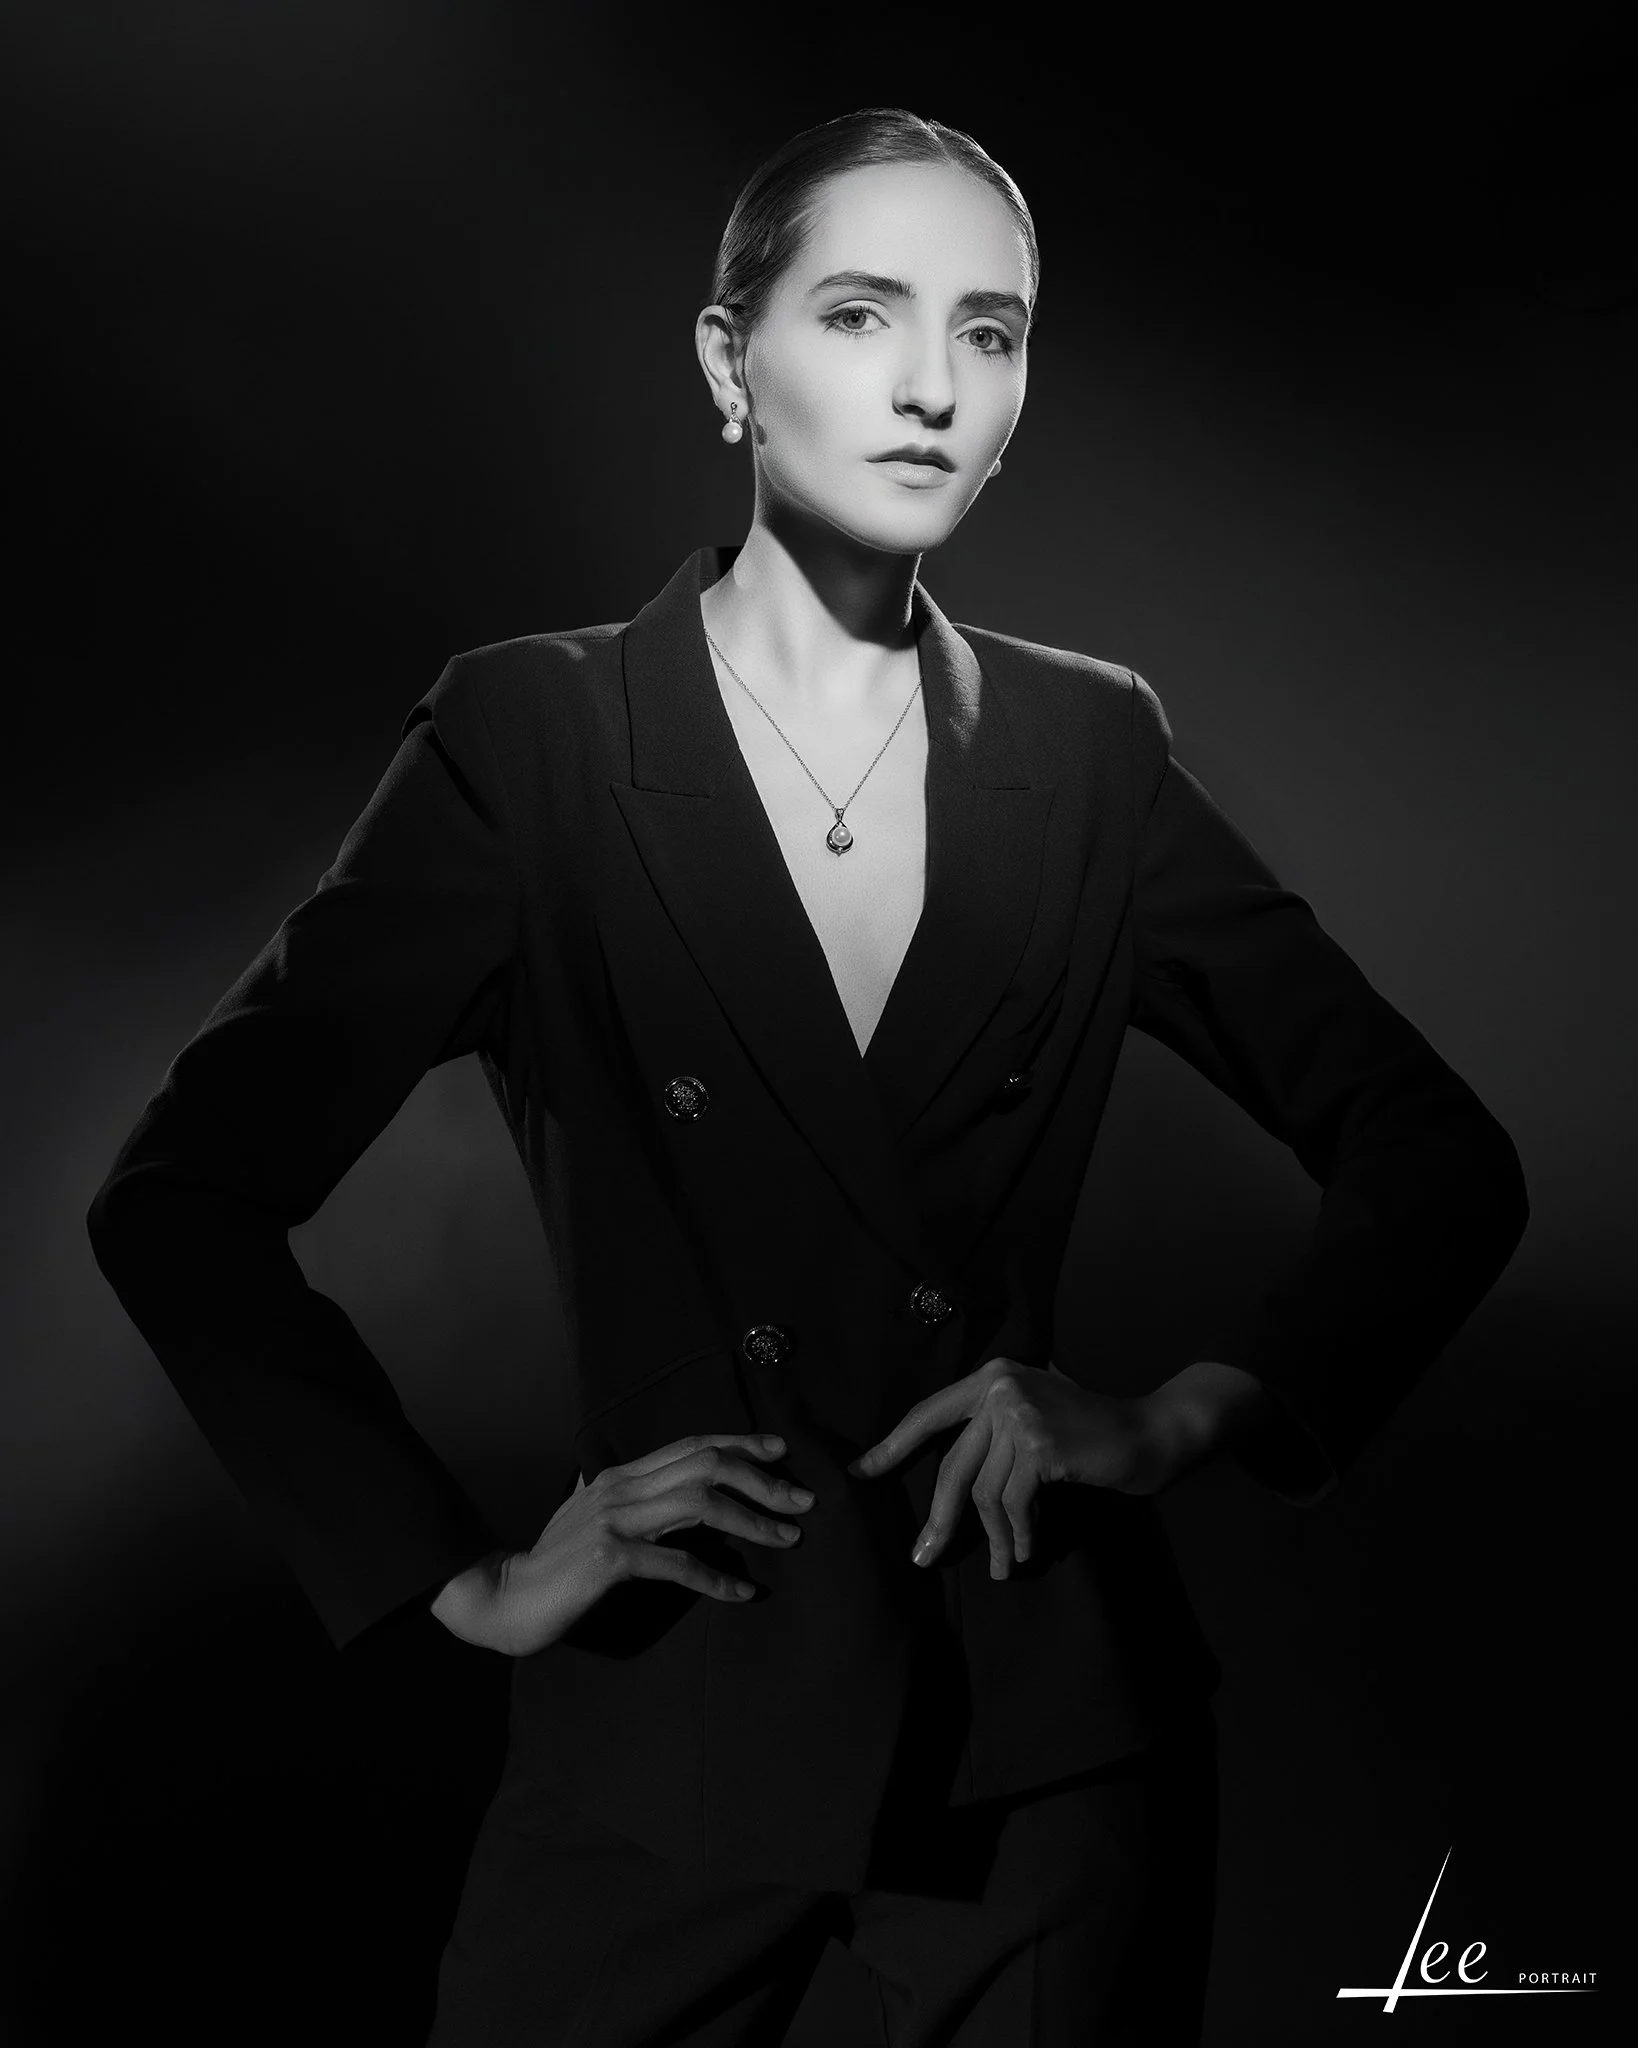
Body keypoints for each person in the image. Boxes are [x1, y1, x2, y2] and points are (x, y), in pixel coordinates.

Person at [86, 106, 1529, 2047]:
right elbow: (184, 1200)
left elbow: (1434, 1157)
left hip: (1041, 1752)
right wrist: (464, 1577)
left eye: (989, 332)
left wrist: (1181, 1416)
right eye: (862, 314)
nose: (933, 383)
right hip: (660, 1726)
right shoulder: (536, 739)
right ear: (727, 360)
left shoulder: (1088, 753)